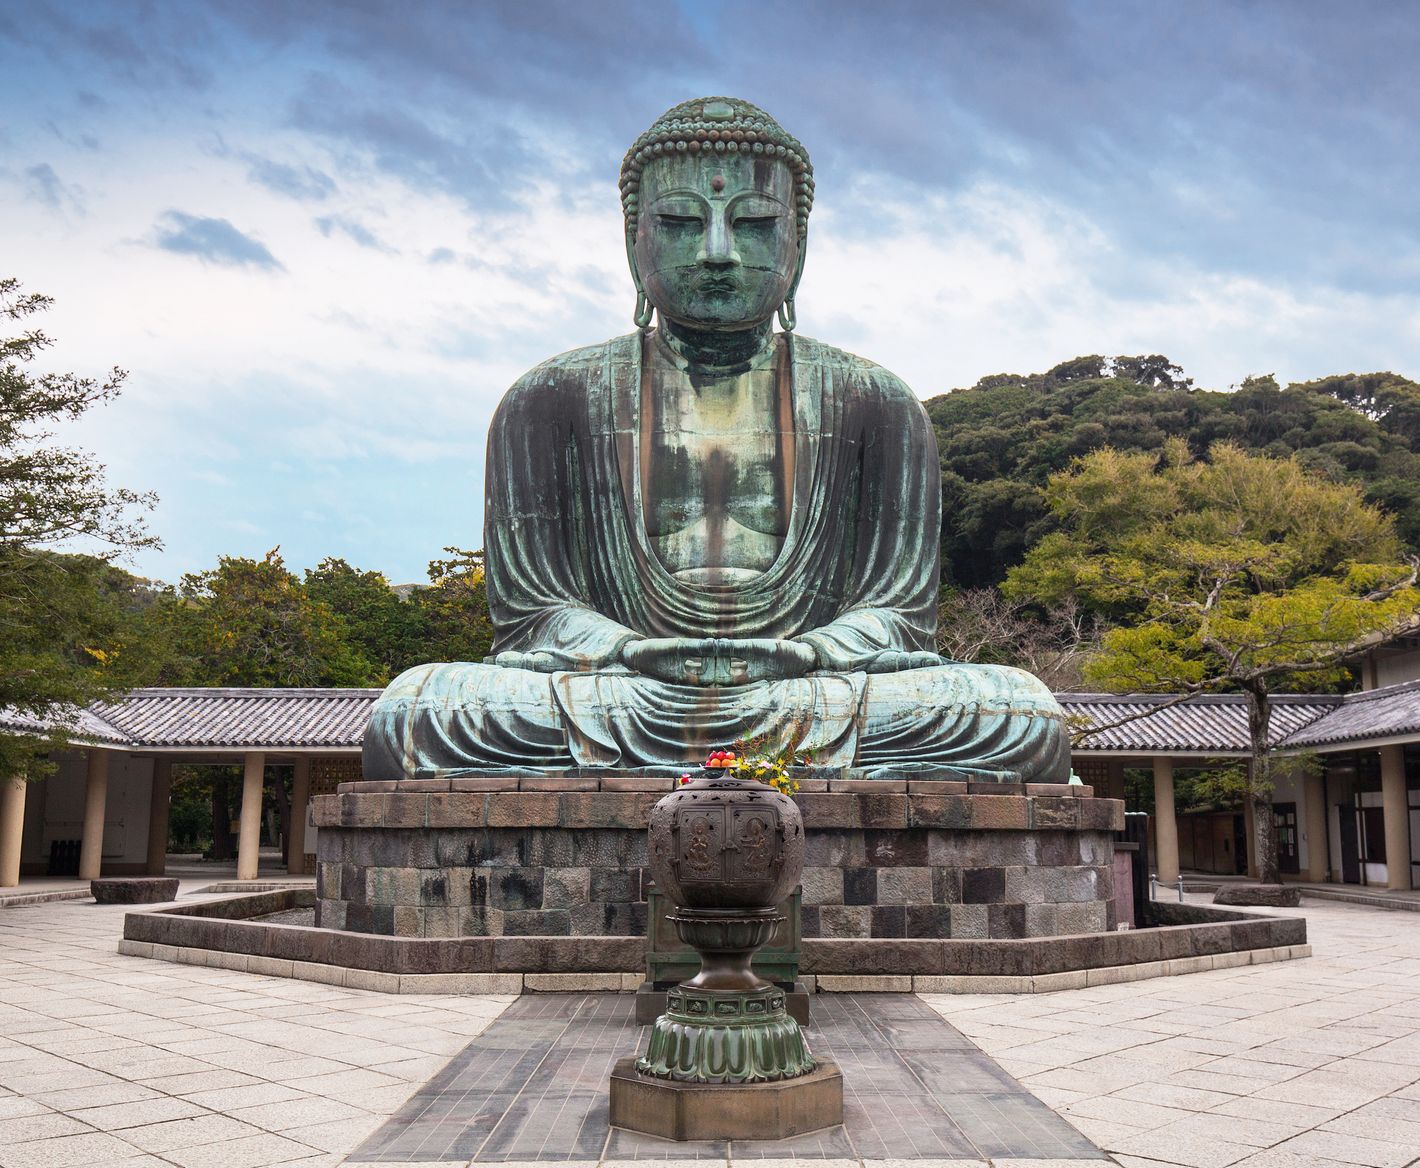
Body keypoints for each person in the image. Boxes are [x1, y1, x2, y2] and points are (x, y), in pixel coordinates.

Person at [363, 97, 1068, 781]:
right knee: (415, 713)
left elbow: (897, 617)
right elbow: (534, 617)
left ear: (800, 241)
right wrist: (632, 651)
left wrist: (806, 654)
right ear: (633, 238)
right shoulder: (548, 399)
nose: (719, 252)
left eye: (756, 222)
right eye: (679, 222)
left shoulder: (876, 402)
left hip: (810, 691)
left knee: (1018, 714)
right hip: (622, 688)